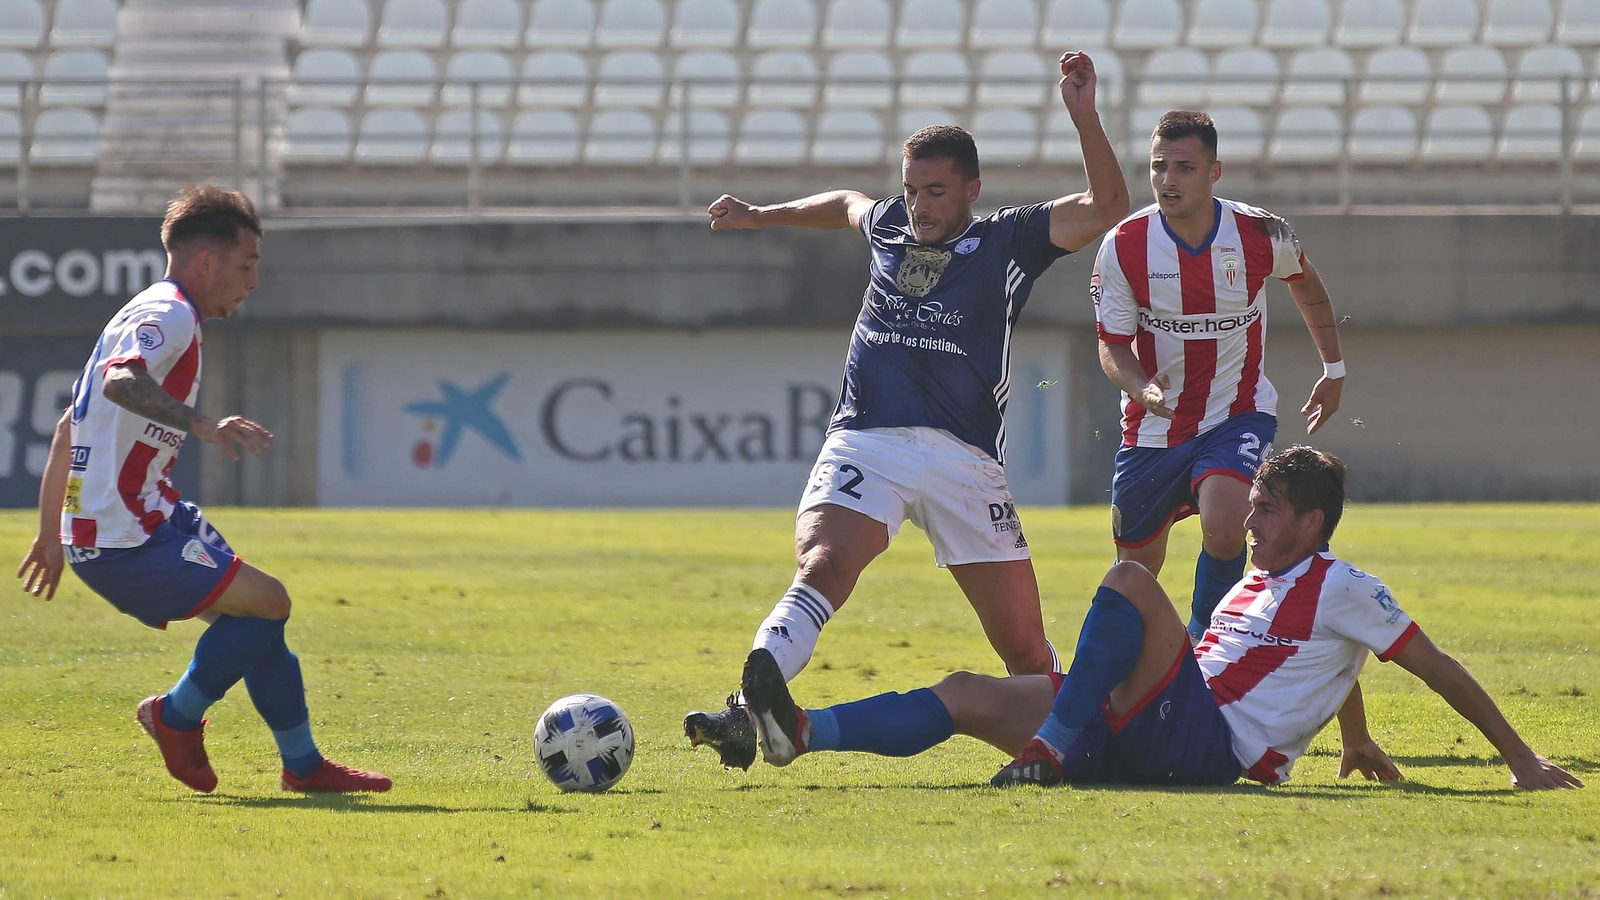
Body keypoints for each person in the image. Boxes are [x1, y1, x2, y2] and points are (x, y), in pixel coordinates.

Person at [685, 52, 1130, 770]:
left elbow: (1110, 209)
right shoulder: (889, 222)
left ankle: (1071, 739)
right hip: (869, 440)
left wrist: (1084, 117)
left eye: (937, 191)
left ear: (971, 191)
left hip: (965, 462)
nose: (920, 204)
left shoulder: (1010, 240)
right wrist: (763, 214)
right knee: (824, 565)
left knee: (1022, 647)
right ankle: (755, 698)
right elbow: (845, 204)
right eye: (912, 188)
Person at [737, 447, 1583, 792]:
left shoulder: (1341, 583)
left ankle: (1056, 743)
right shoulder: (1263, 584)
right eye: (1253, 505)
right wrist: (1353, 736)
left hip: (1207, 743)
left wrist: (1522, 760)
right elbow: (1331, 663)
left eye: (1269, 510)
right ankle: (803, 731)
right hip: (1160, 725)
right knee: (965, 690)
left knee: (1134, 582)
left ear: (1315, 525)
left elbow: (1434, 665)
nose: (1248, 523)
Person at [15, 185, 391, 794]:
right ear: (207, 262)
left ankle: (303, 766)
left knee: (260, 622)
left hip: (143, 519)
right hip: (124, 536)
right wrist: (203, 425)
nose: (254, 282)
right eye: (248, 265)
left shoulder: (143, 310)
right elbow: (119, 383)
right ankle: (176, 715)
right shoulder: (170, 315)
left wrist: (50, 534)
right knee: (270, 601)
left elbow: (68, 425)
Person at [1092, 110, 1348, 646]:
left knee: (1227, 524)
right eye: (1159, 166)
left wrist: (1333, 369)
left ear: (1215, 172)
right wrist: (1140, 387)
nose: (1168, 180)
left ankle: (1210, 650)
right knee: (1134, 572)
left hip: (1237, 412)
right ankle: (1124, 674)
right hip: (1152, 429)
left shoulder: (1260, 233)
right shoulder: (1123, 245)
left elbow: (1307, 285)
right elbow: (1112, 343)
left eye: (1184, 167)